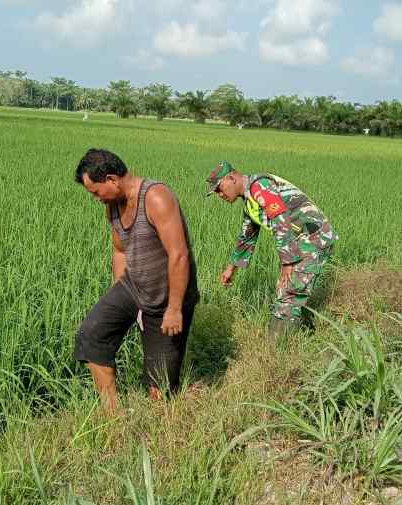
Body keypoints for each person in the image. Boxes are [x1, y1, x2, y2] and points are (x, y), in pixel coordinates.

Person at [74, 148, 199, 411]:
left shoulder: (155, 197)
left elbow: (178, 255)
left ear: (111, 179)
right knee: (92, 335)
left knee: (160, 389)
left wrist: (175, 309)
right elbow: (120, 250)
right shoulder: (113, 207)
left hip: (168, 298)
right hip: (134, 286)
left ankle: (161, 421)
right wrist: (118, 298)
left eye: (95, 192)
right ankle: (112, 414)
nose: (95, 198)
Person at [206, 161, 337, 338]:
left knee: (290, 292)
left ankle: (277, 348)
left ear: (232, 178)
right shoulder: (249, 200)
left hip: (313, 239)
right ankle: (290, 336)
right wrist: (231, 268)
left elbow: (280, 220)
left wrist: (288, 263)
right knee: (285, 290)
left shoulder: (260, 186)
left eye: (219, 188)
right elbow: (247, 235)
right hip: (300, 241)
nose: (219, 194)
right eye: (216, 192)